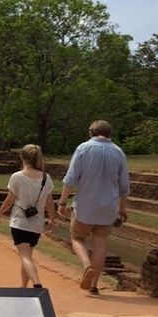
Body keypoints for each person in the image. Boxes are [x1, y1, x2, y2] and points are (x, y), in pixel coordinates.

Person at [58, 120, 130, 295]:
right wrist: (122, 209)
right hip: (108, 208)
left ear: (91, 132)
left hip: (85, 205)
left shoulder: (83, 148)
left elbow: (70, 180)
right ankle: (94, 285)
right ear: (109, 134)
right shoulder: (119, 153)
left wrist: (62, 202)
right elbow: (124, 186)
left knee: (77, 238)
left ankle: (86, 266)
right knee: (100, 244)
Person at [0, 144, 56, 288]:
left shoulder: (17, 177)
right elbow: (49, 202)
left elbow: (10, 200)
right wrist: (52, 219)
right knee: (27, 255)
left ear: (22, 157)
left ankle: (36, 283)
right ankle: (23, 287)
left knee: (25, 256)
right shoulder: (46, 178)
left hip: (20, 222)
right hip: (36, 224)